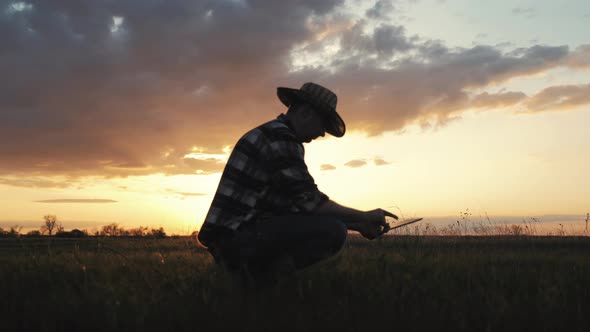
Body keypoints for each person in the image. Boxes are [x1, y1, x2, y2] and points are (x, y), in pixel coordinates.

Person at [197, 82, 398, 286]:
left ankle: (255, 280)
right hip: (234, 239)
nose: (321, 133)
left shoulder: (275, 134)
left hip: (229, 239)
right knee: (333, 231)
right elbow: (311, 202)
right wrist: (365, 216)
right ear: (306, 112)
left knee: (335, 226)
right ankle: (260, 281)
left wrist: (358, 225)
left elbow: (297, 207)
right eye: (323, 124)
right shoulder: (281, 138)